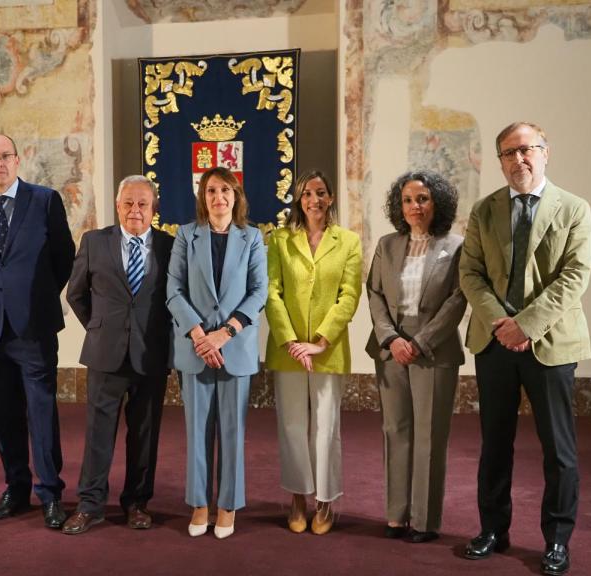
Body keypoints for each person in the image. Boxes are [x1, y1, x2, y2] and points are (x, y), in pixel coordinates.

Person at [460, 122, 591, 576]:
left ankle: (557, 538)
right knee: (495, 444)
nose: (519, 159)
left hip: (550, 344)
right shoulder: (484, 211)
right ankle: (493, 530)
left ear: (545, 152)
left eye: (527, 149)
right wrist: (502, 323)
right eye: (509, 153)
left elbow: (574, 277)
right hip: (495, 341)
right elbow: (470, 273)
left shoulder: (574, 208)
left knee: (558, 448)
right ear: (499, 161)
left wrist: (527, 325)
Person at [0, 133, 75, 529]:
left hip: (34, 327)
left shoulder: (44, 200)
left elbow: (64, 259)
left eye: (5, 155)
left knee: (41, 410)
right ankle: (17, 487)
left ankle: (51, 492)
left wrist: (36, 298)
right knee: (5, 413)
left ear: (18, 159)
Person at [62, 175, 173, 535]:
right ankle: (89, 504)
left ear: (153, 209)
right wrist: (99, 327)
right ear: (117, 205)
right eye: (128, 203)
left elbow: (176, 300)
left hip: (151, 356)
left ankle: (137, 503)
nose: (135, 210)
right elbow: (76, 294)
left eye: (142, 203)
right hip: (105, 354)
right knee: (98, 434)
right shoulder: (94, 242)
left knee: (144, 434)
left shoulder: (171, 247)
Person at [365, 170, 467, 543]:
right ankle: (396, 515)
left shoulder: (455, 246)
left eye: (422, 199)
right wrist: (391, 338)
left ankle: (424, 521)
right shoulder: (387, 244)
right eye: (408, 200)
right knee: (396, 431)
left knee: (429, 435)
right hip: (391, 350)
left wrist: (420, 341)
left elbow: (458, 299)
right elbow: (374, 292)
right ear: (399, 205)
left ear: (436, 203)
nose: (415, 206)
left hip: (433, 351)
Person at [166, 166, 267, 540]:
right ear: (202, 197)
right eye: (211, 191)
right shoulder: (185, 236)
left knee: (232, 431)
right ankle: (199, 503)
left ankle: (227, 505)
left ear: (236, 196)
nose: (218, 197)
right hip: (195, 348)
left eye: (225, 190)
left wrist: (224, 334)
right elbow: (173, 289)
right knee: (197, 432)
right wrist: (198, 334)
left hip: (234, 347)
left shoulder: (252, 238)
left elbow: (259, 292)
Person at [264, 170, 362, 535]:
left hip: (327, 350)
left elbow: (349, 295)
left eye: (321, 192)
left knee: (325, 427)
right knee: (291, 426)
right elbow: (272, 292)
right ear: (298, 199)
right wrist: (291, 341)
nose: (314, 199)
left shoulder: (348, 241)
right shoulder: (279, 240)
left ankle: (325, 500)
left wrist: (320, 340)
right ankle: (298, 497)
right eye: (307, 193)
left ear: (331, 197)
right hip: (288, 350)